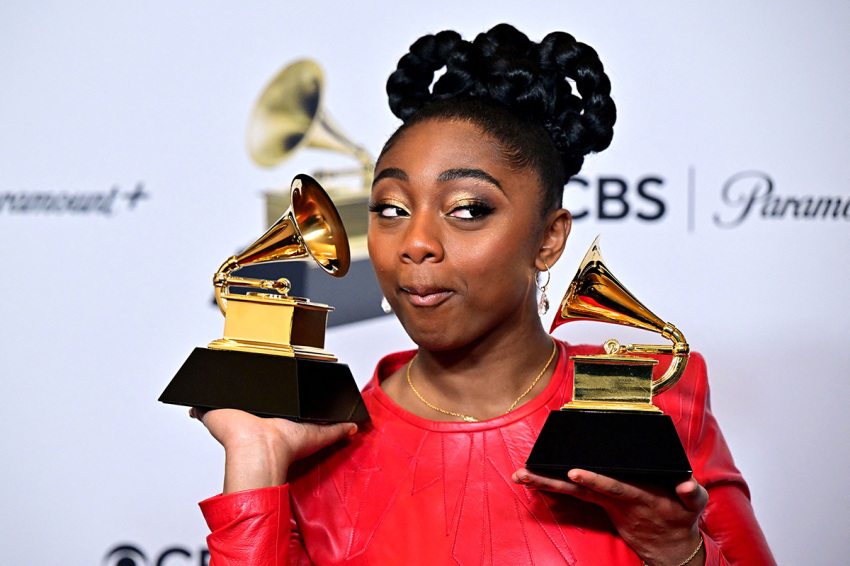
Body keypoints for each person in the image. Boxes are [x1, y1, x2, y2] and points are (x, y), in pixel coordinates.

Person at [191, 24, 776, 565]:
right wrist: (256, 456)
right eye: (390, 209)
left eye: (468, 209)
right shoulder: (318, 441)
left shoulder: (657, 400)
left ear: (549, 239)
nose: (416, 243)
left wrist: (676, 550)